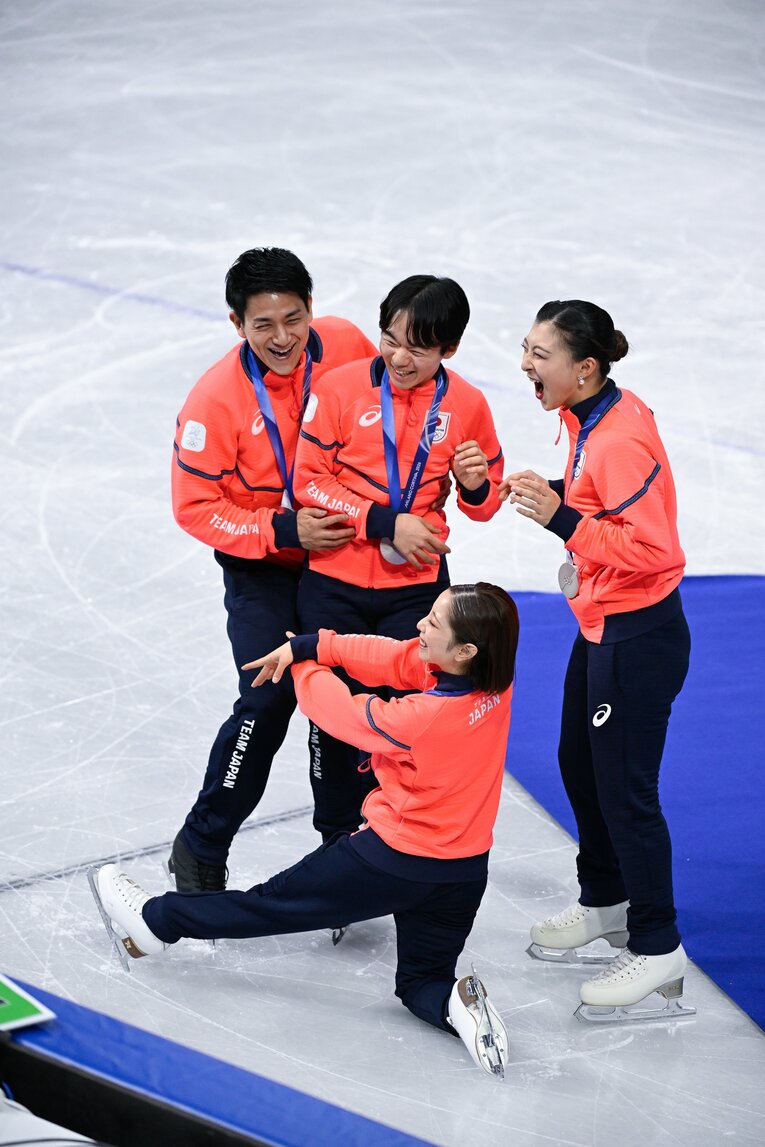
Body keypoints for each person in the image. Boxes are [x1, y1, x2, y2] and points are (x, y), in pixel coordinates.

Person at [92, 583, 519, 1078]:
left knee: (267, 904)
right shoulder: (496, 683)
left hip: (391, 862)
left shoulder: (421, 719)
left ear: (465, 650)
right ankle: (456, 1007)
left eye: (434, 623)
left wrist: (305, 663)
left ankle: (154, 921)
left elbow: (337, 714)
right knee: (420, 983)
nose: (421, 625)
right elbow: (396, 658)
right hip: (463, 873)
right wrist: (317, 643)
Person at [500, 299, 692, 1021]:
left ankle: (656, 945)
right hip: (602, 623)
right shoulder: (591, 418)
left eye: (538, 354)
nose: (525, 363)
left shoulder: (615, 438)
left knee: (624, 790)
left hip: (637, 636)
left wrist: (562, 519)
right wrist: (558, 491)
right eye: (525, 347)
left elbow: (653, 550)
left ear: (583, 368)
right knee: (579, 764)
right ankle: (607, 902)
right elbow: (605, 507)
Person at [168, 247, 377, 893]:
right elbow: (195, 508)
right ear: (237, 324)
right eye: (264, 325)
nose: (282, 337)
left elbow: (388, 424)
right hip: (261, 564)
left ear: (312, 309)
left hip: (338, 555)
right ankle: (200, 844)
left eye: (293, 318)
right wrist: (280, 528)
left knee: (341, 699)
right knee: (267, 698)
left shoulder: (344, 343)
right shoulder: (213, 402)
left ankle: (345, 848)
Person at [292, 274, 505, 842]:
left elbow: (483, 507)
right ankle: (336, 839)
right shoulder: (338, 389)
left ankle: (392, 837)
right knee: (333, 725)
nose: (399, 357)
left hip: (416, 592)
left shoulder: (467, 404)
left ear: (449, 349)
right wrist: (385, 522)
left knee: (409, 722)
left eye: (419, 348)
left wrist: (478, 486)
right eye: (390, 339)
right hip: (333, 581)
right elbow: (307, 482)